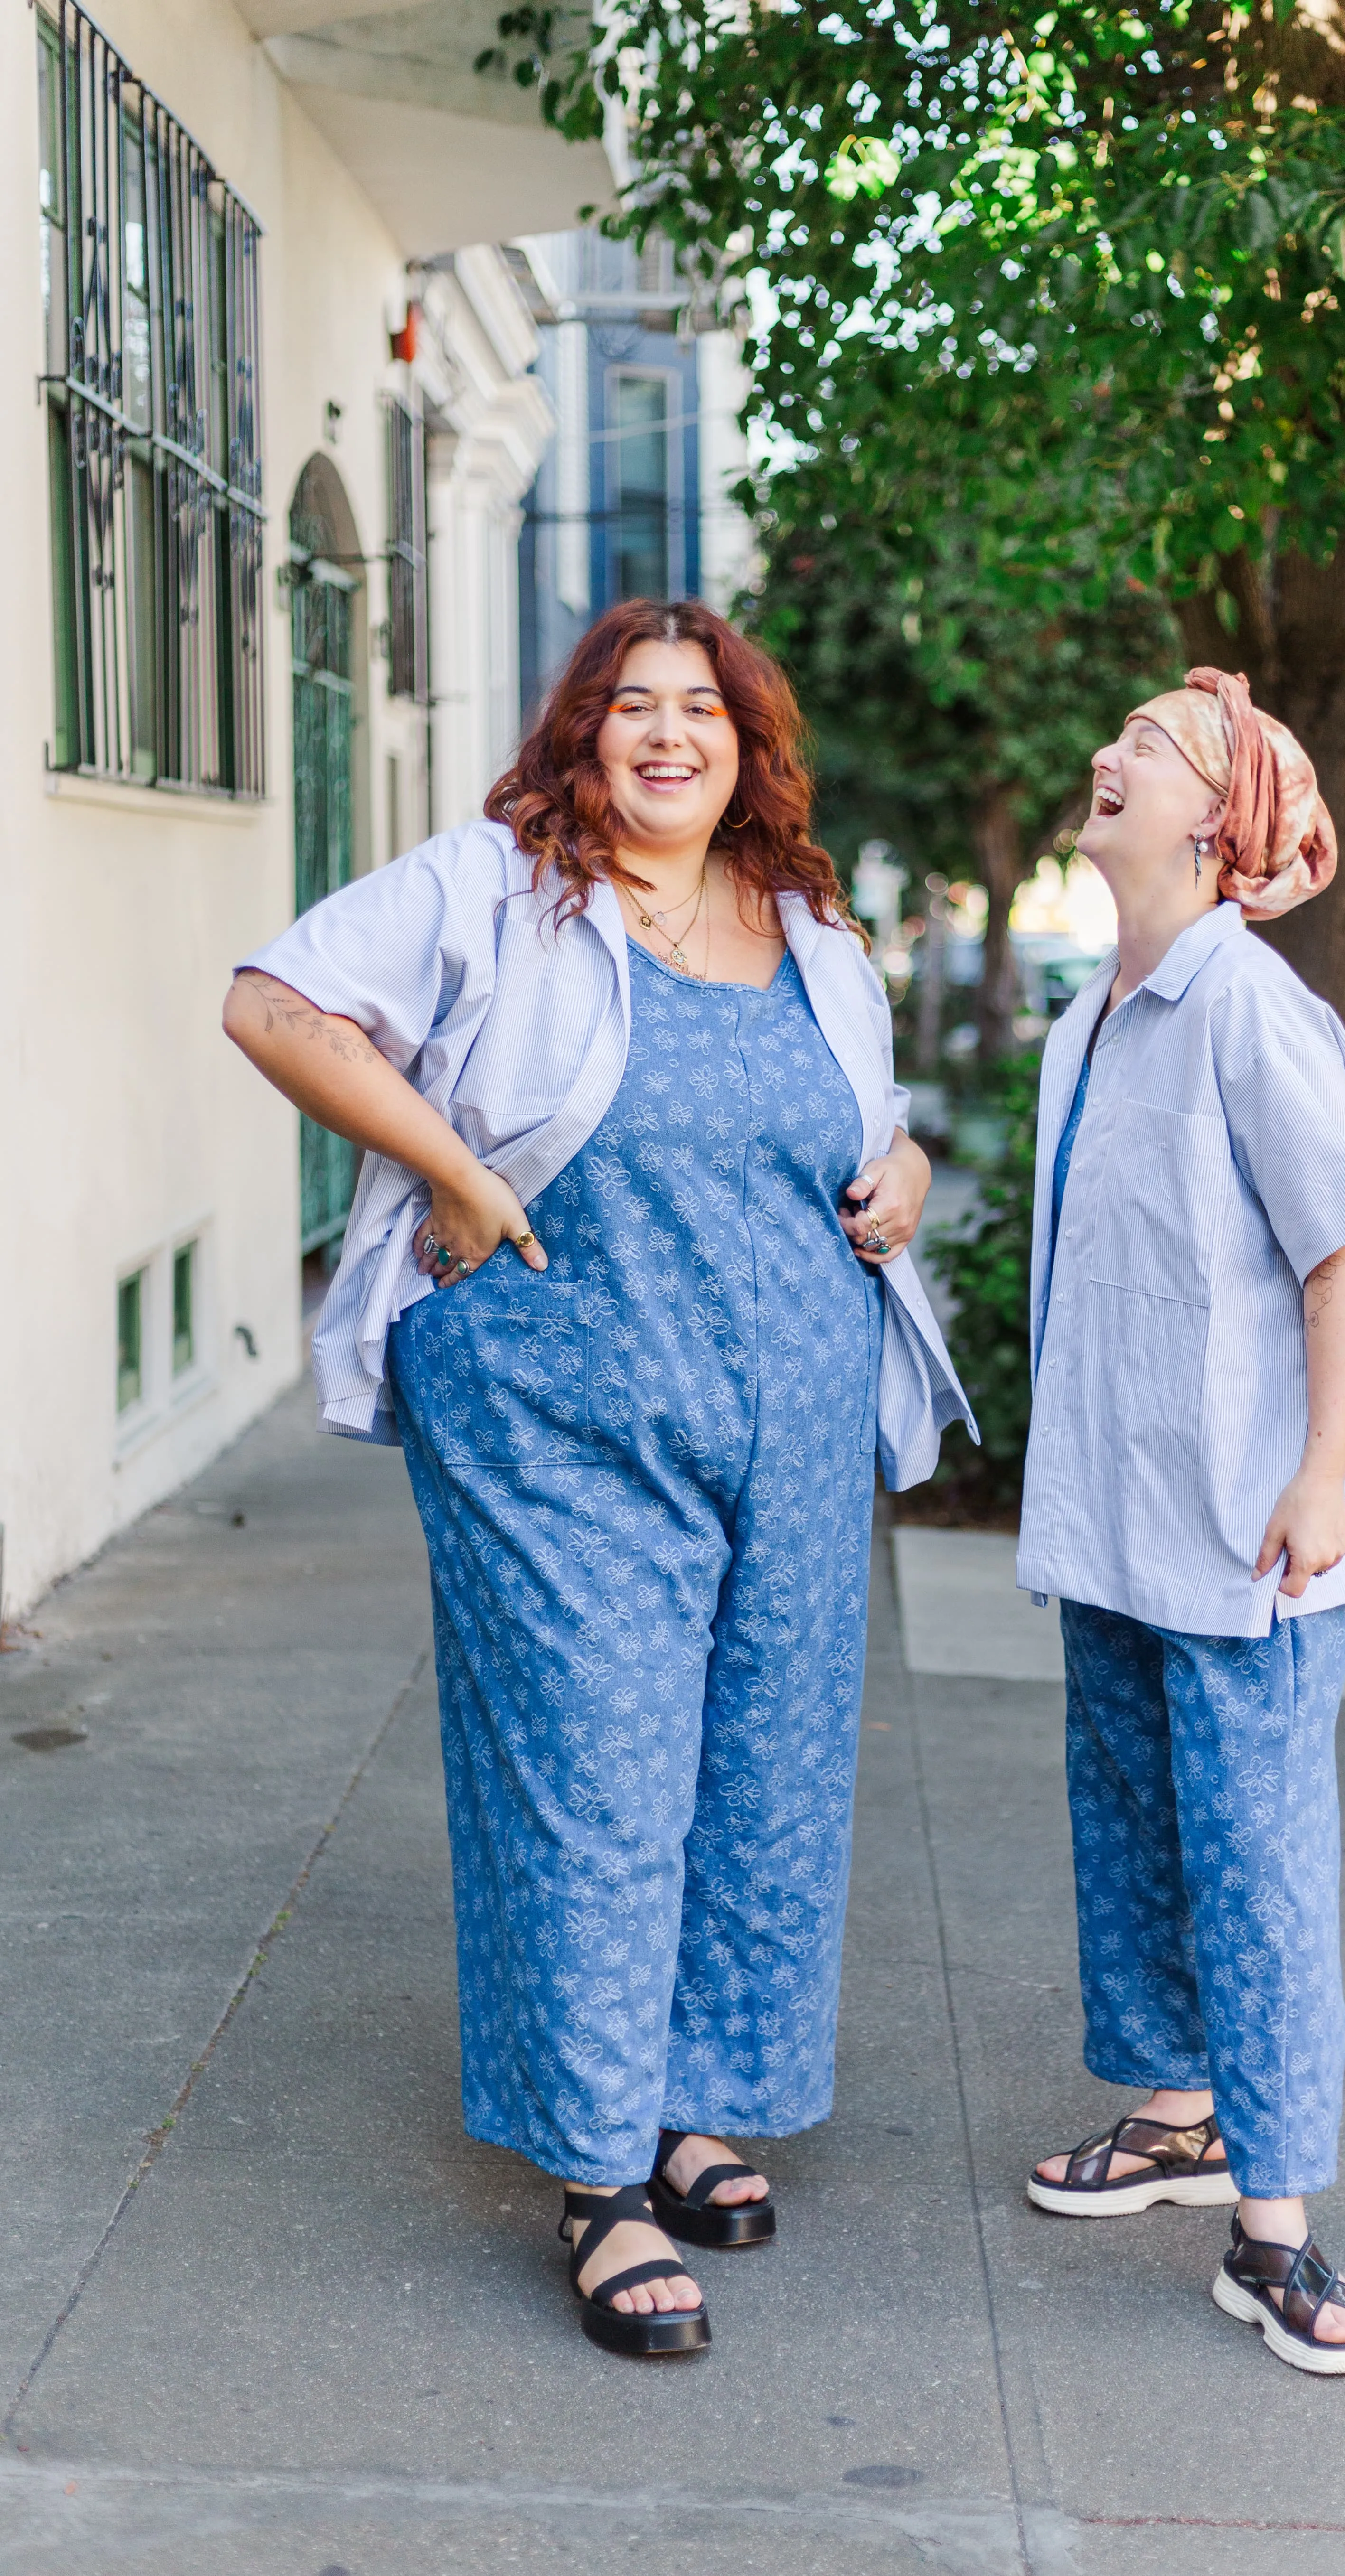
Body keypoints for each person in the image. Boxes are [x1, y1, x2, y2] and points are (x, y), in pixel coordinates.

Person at [223, 599, 973, 2360]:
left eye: (699, 709)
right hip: (556, 1414)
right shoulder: (497, 886)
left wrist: (913, 1166)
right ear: (582, 735)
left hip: (787, 1416)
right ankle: (597, 2180)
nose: (665, 734)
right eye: (630, 707)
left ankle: (691, 2099)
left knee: (763, 1775)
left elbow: (864, 1125)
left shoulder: (810, 926)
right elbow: (274, 1004)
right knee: (592, 1770)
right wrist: (455, 1179)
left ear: (747, 744)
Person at [1019, 668, 1345, 2377]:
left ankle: (1278, 2235)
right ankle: (1181, 2118)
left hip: (1253, 1534)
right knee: (1137, 1835)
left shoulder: (1251, 1008)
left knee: (1254, 1870)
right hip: (1115, 1525)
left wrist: (1322, 1474)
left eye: (1154, 751)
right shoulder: (1090, 1017)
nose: (1109, 756)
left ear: (1220, 820)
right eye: (1116, 737)